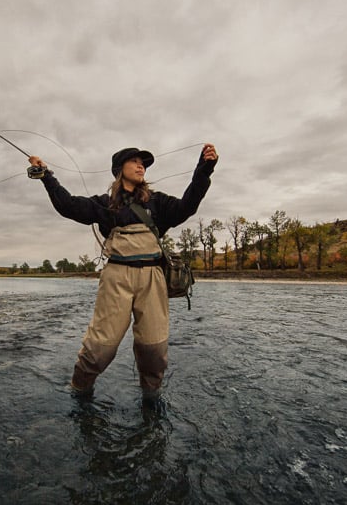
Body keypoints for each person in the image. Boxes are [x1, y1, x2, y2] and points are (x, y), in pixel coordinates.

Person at [28, 143, 218, 400]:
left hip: (153, 278)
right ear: (119, 169)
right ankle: (79, 390)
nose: (141, 166)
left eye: (144, 163)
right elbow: (68, 205)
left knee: (154, 349)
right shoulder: (104, 204)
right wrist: (46, 176)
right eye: (135, 161)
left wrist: (204, 169)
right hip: (116, 278)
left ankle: (151, 400)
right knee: (100, 349)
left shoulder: (158, 202)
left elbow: (188, 205)